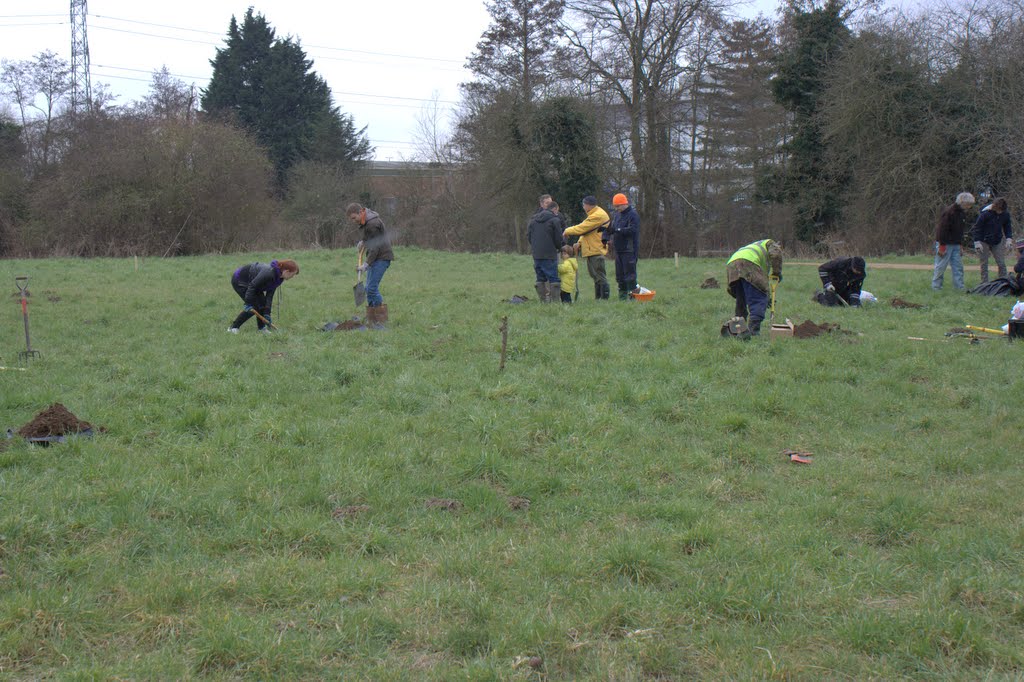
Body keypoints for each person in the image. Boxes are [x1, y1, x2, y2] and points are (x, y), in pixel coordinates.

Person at [346, 202, 395, 326]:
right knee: (368, 288)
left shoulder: (372, 224)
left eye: (354, 218)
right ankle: (372, 318)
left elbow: (375, 248)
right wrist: (363, 241)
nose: (353, 221)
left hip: (382, 257)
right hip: (375, 257)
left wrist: (366, 265)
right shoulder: (365, 222)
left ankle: (380, 319)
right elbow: (370, 239)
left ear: (361, 212)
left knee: (372, 289)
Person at [726, 239, 783, 336]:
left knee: (741, 298)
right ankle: (753, 332)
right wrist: (777, 272)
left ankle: (738, 330)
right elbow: (776, 254)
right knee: (758, 299)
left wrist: (767, 296)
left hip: (732, 264)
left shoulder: (755, 247)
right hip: (748, 263)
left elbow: (760, 284)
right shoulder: (770, 243)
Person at [227, 259, 299, 333]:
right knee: (254, 306)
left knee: (262, 303)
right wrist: (248, 303)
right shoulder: (269, 273)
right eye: (292, 274)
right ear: (287, 271)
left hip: (254, 284)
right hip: (240, 280)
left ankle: (261, 329)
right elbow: (252, 286)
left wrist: (267, 313)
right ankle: (233, 328)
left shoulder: (279, 278)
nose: (292, 277)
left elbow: (269, 295)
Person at [563, 195, 611, 300]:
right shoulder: (594, 213)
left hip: (596, 249)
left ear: (588, 205)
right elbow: (588, 231)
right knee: (595, 276)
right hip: (591, 249)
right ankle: (598, 298)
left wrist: (567, 231)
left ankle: (604, 299)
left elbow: (582, 228)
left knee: (599, 275)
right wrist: (579, 242)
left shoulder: (597, 215)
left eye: (584, 205)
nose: (583, 207)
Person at [933, 192, 975, 291]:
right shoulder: (949, 212)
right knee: (940, 266)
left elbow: (959, 231)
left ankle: (959, 287)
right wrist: (942, 246)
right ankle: (936, 287)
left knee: (958, 267)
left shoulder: (962, 214)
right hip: (945, 244)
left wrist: (960, 245)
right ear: (962, 202)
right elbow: (941, 230)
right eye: (968, 204)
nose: (969, 206)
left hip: (956, 244)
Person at [527, 194, 564, 303]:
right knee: (553, 278)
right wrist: (559, 247)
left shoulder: (533, 220)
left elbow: (529, 236)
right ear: (555, 209)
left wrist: (535, 247)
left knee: (540, 278)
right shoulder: (555, 220)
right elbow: (558, 238)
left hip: (536, 254)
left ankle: (543, 302)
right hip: (550, 253)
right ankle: (555, 303)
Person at [603, 193, 640, 300]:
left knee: (630, 275)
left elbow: (633, 230)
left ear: (624, 204)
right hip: (618, 250)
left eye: (618, 206)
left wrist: (618, 230)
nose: (616, 208)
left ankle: (633, 297)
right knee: (620, 276)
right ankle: (622, 298)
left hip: (629, 250)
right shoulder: (617, 215)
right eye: (615, 206)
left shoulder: (633, 215)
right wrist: (605, 236)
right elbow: (611, 227)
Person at [971, 197, 1014, 284]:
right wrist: (977, 242)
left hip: (997, 240)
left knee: (1001, 262)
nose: (1000, 211)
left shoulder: (1005, 214)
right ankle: (985, 282)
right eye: (999, 209)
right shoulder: (985, 214)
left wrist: (1009, 239)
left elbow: (1007, 227)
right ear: (995, 207)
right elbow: (977, 228)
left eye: (1002, 210)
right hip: (983, 240)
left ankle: (1003, 281)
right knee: (984, 263)